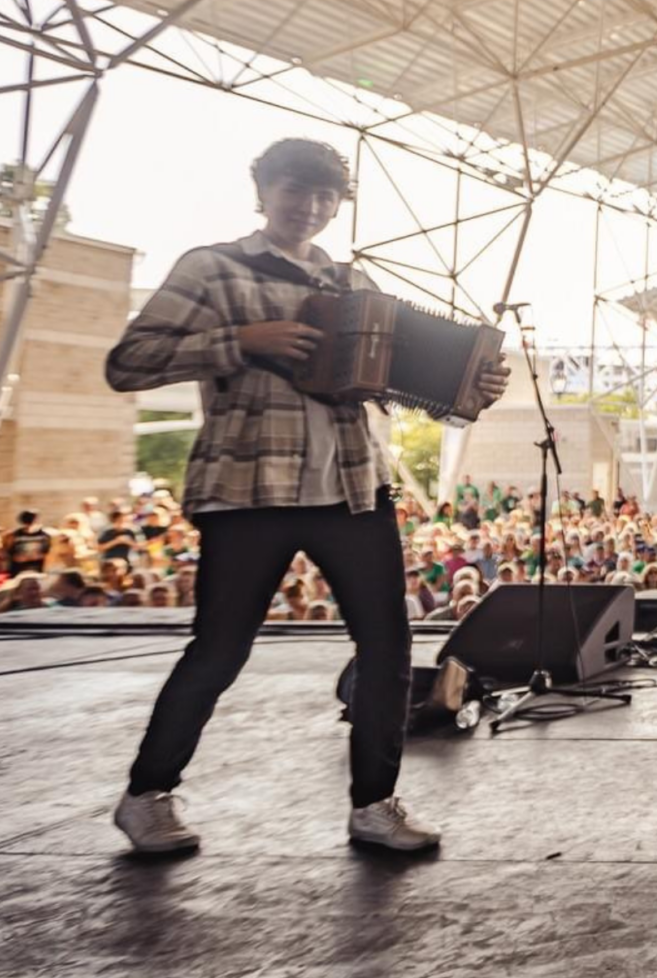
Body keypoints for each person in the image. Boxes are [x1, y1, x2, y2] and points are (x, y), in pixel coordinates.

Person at [103, 138, 508, 857]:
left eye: (325, 198)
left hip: (351, 486)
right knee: (220, 650)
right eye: (296, 190)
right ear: (263, 188)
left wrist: (468, 390)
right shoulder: (212, 268)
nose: (310, 207)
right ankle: (148, 794)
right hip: (248, 489)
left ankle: (375, 803)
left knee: (388, 644)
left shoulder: (351, 288)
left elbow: (405, 384)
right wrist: (239, 340)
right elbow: (129, 363)